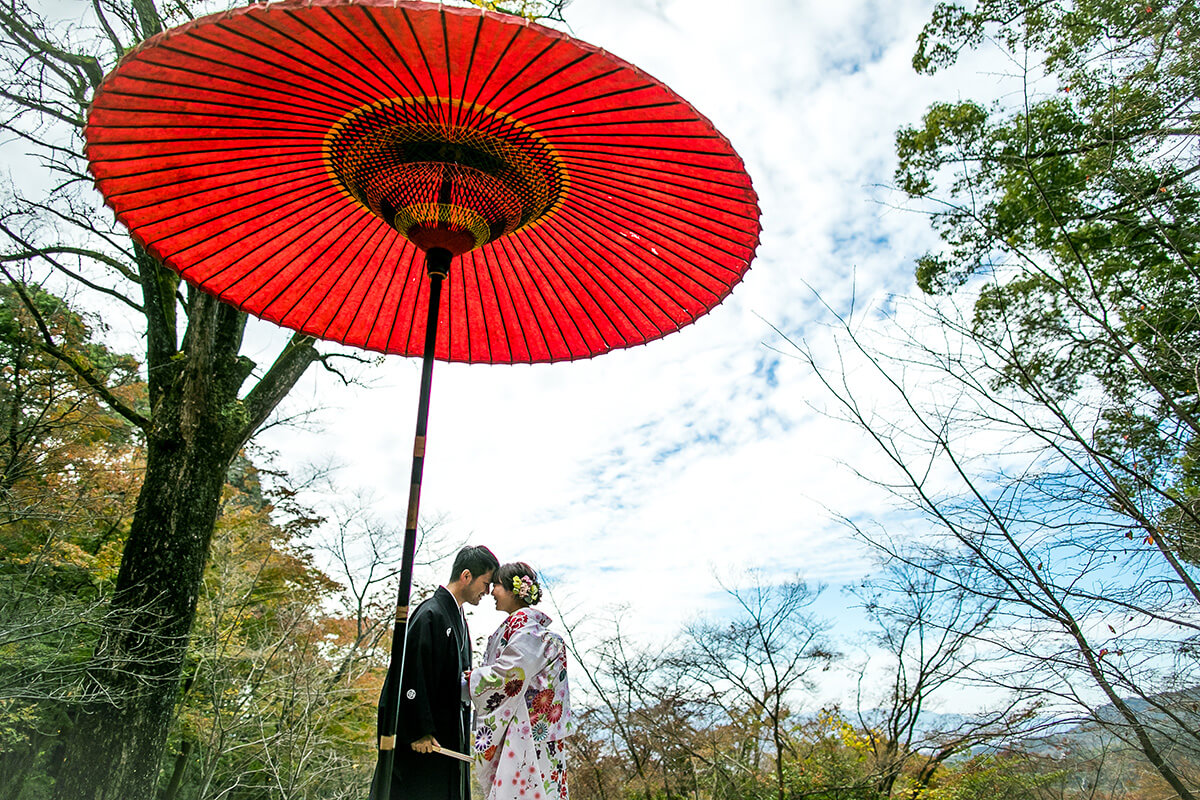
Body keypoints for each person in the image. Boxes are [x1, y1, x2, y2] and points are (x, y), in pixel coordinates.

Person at [373, 545, 499, 800]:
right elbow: (410, 672)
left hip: (449, 735)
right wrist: (420, 730)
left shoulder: (458, 618)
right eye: (485, 583)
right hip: (426, 742)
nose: (487, 591)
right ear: (466, 576)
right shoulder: (431, 613)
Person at [467, 562, 574, 800]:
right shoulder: (529, 630)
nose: (491, 592)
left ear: (513, 591)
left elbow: (510, 676)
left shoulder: (527, 631)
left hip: (527, 734)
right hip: (539, 732)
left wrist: (473, 679)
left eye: (496, 585)